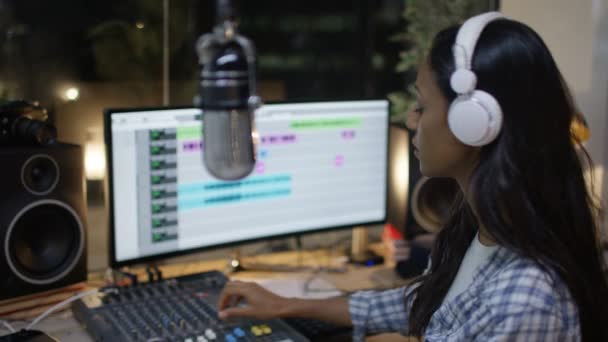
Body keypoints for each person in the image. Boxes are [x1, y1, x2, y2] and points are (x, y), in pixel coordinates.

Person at [217, 12, 608, 341]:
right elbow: (431, 302)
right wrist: (288, 305)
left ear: (474, 123)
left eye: (421, 105)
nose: (410, 120)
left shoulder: (523, 302)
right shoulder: (485, 227)